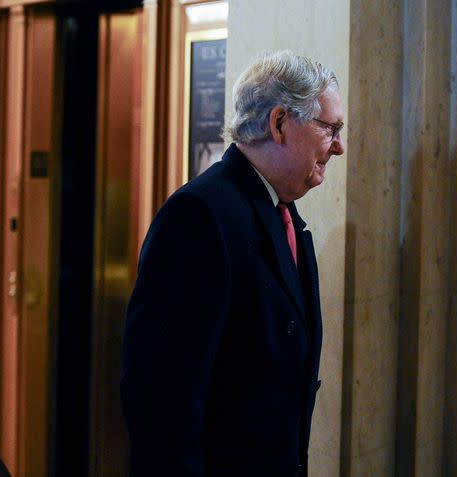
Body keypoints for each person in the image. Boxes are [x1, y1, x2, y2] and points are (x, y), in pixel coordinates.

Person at [121, 50, 345, 477]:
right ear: (279, 123)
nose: (338, 146)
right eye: (329, 128)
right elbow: (159, 401)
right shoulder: (199, 215)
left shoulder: (284, 216)